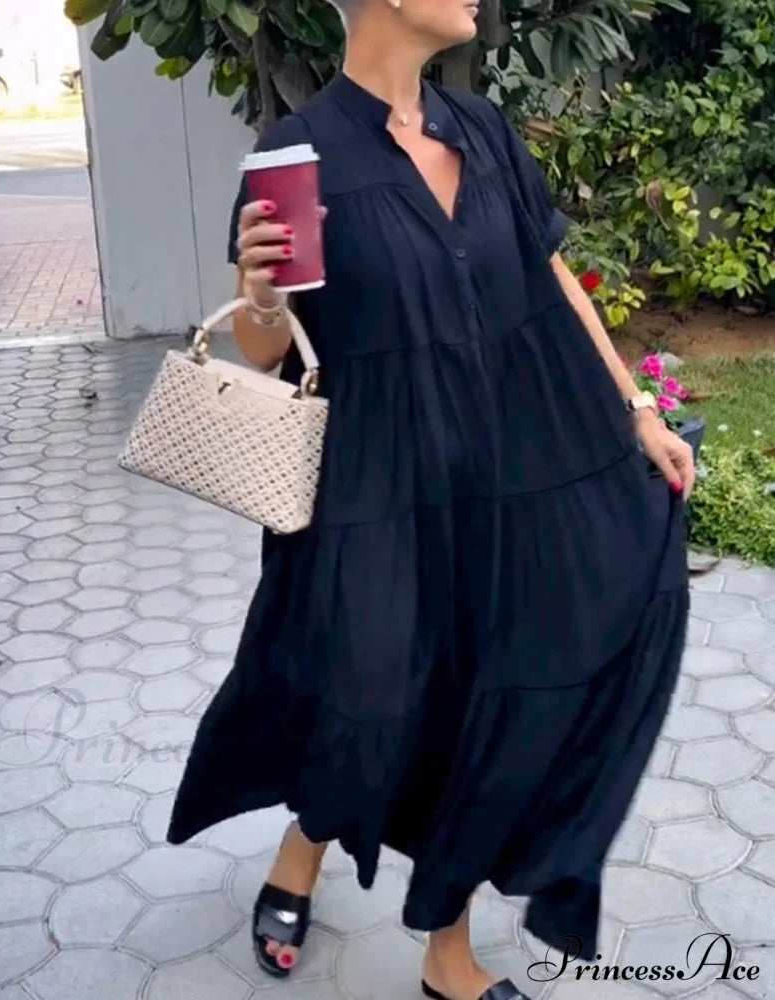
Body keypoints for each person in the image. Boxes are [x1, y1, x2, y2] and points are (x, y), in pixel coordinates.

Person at [167, 1, 694, 998]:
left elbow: (549, 273)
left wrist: (635, 409)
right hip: (368, 493)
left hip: (496, 484)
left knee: (468, 705)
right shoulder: (296, 153)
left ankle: (446, 953)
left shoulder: (479, 128)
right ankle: (303, 844)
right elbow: (266, 348)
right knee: (362, 697)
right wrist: (263, 293)